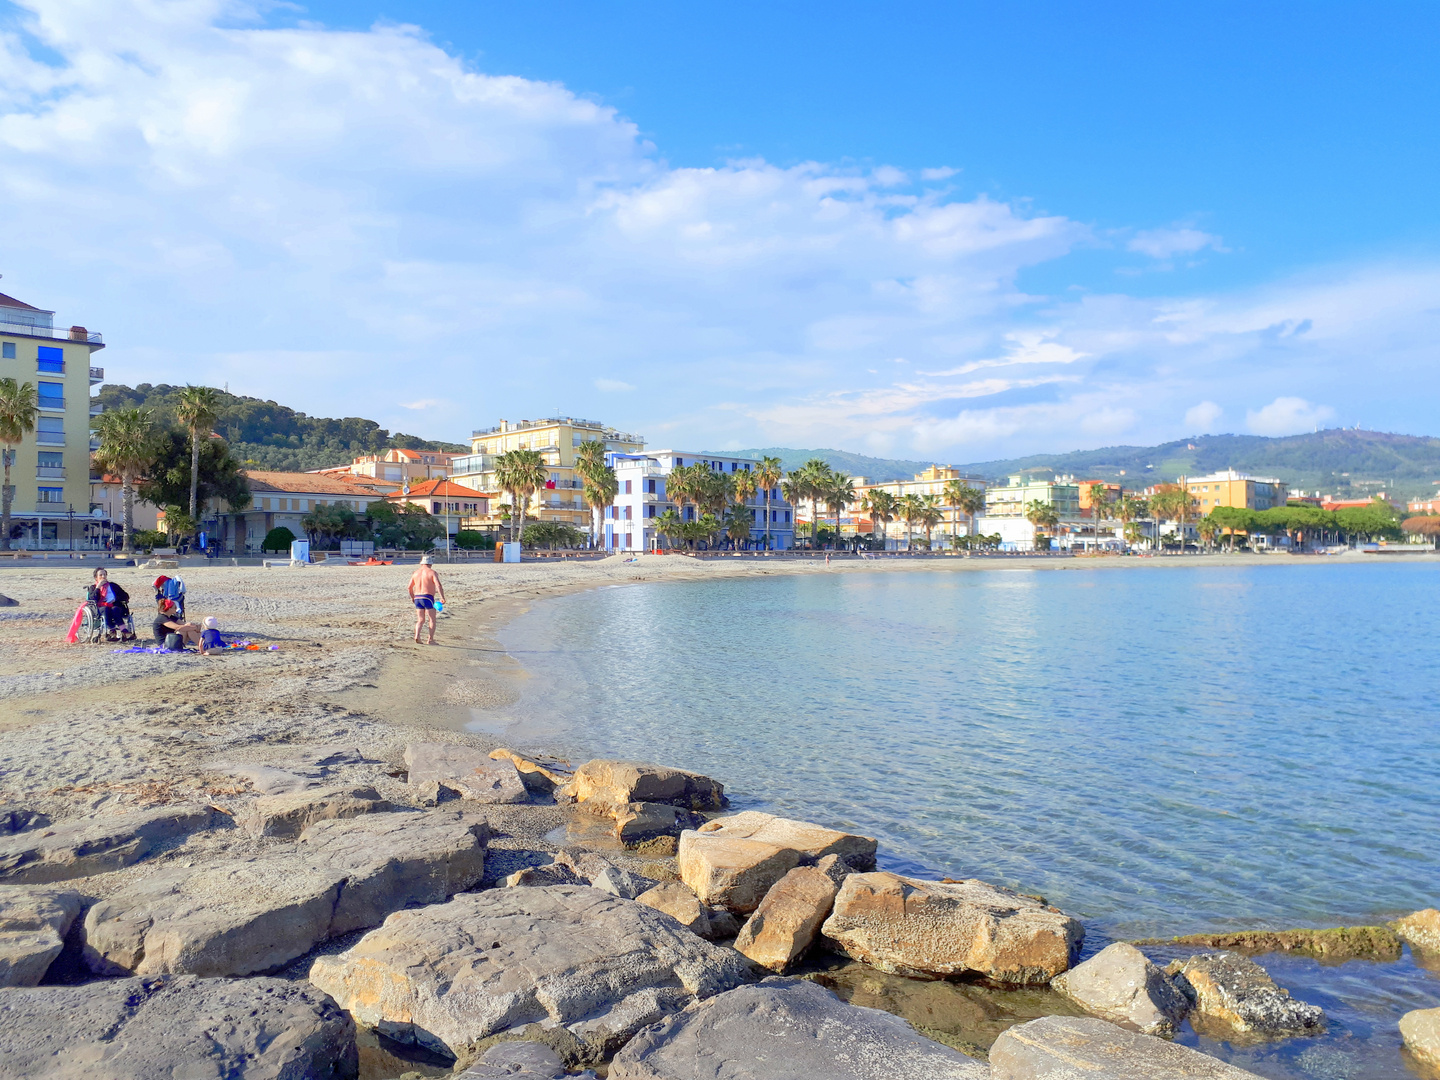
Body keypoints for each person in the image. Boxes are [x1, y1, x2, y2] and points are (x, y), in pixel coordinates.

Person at [408, 555, 446, 645]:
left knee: (420, 619)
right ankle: (430, 639)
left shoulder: (415, 573)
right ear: (430, 564)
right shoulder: (432, 572)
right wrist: (442, 597)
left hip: (417, 597)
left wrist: (412, 597)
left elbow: (409, 587)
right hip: (427, 597)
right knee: (432, 619)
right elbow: (438, 585)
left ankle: (417, 635)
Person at [87, 567, 133, 641]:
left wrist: (116, 599)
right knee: (106, 609)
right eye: (100, 575)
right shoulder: (93, 587)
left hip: (114, 605)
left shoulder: (113, 585)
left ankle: (124, 631)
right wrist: (98, 587)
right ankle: (112, 631)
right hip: (101, 607)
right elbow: (92, 599)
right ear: (96, 577)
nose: (103, 577)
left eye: (104, 575)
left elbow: (125, 596)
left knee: (115, 609)